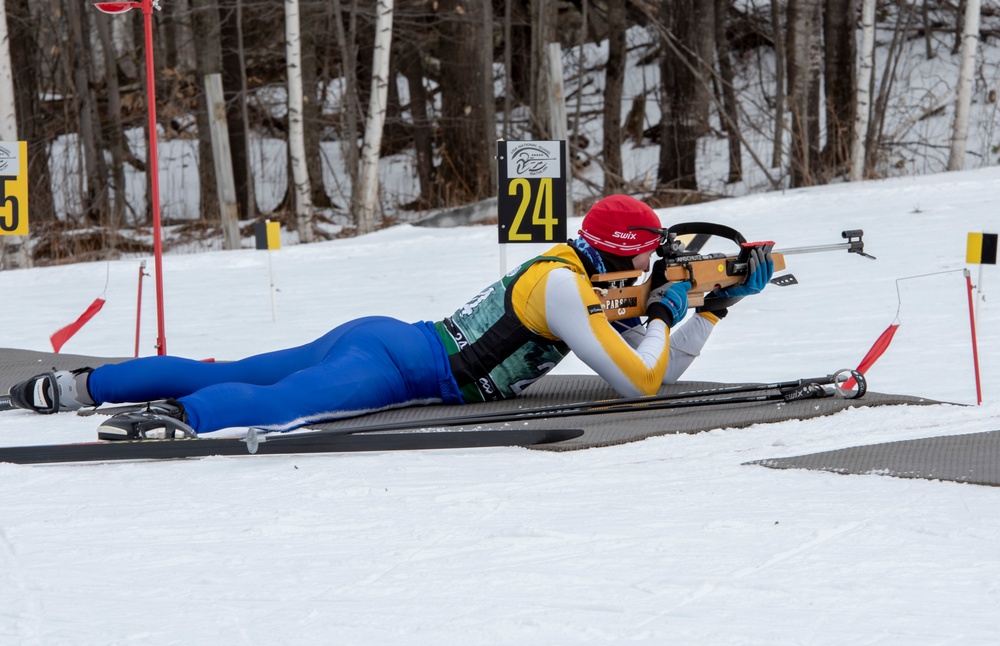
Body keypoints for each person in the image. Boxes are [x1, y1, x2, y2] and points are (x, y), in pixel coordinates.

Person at [7, 195, 773, 440]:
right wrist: (674, 306)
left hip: (391, 337)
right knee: (281, 403)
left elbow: (656, 363)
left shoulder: (575, 272)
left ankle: (76, 389)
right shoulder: (567, 290)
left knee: (238, 368)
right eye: (643, 264)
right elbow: (639, 382)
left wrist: (709, 309)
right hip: (404, 364)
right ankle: (173, 415)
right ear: (617, 254)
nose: (647, 277)